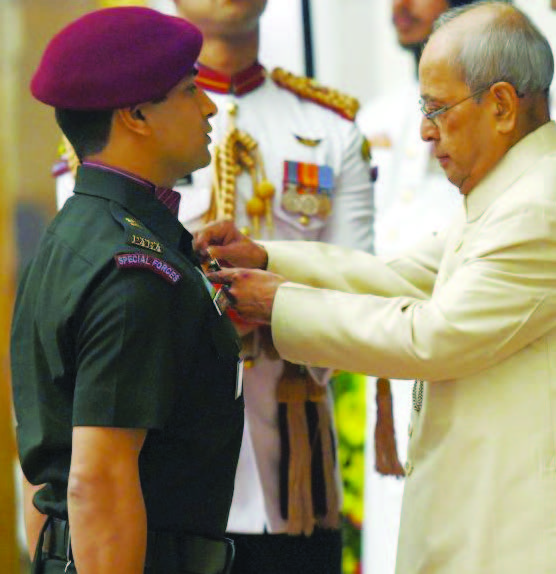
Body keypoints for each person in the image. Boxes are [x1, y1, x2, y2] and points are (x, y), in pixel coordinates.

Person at [195, 3, 556, 573]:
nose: (424, 129)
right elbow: (400, 277)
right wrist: (267, 257)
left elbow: (432, 338)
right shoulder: (513, 188)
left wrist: (277, 303)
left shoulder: (538, 204)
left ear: (504, 106)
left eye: (437, 108)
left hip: (510, 530)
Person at [10, 7, 244, 574]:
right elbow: (98, 480)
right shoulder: (133, 270)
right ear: (137, 114)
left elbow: (48, 471)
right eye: (190, 90)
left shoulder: (75, 234)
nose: (209, 106)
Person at [165, 2, 372, 574]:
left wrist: (273, 307)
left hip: (293, 470)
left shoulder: (330, 126)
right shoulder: (132, 116)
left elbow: (358, 291)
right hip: (173, 463)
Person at [356, 1, 501, 571]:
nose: (400, 6)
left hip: (473, 360)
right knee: (395, 534)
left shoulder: (517, 118)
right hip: (388, 365)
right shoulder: (377, 118)